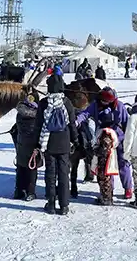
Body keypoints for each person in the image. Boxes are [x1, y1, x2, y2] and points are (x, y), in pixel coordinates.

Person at [76, 87, 134, 199]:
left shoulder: (119, 106)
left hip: (119, 138)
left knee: (123, 163)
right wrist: (78, 120)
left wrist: (128, 140)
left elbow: (127, 123)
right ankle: (108, 190)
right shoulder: (95, 105)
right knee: (106, 165)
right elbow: (85, 113)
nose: (104, 103)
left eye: (107, 101)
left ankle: (128, 188)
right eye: (103, 100)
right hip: (103, 139)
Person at [35, 74, 78, 215]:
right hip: (64, 142)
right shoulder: (66, 102)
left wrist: (37, 143)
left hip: (49, 143)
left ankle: (51, 203)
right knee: (64, 174)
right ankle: (64, 205)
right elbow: (72, 124)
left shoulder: (43, 103)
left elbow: (38, 125)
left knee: (50, 174)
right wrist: (75, 139)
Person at [12, 93, 41, 201]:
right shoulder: (37, 116)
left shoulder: (20, 114)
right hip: (33, 145)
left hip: (21, 143)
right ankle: (30, 192)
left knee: (21, 167)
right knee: (32, 168)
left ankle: (18, 190)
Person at [91, 127, 119, 205]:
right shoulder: (111, 133)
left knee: (103, 180)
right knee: (106, 180)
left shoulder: (105, 135)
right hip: (107, 161)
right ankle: (106, 197)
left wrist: (95, 150)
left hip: (103, 162)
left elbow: (103, 150)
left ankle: (106, 199)